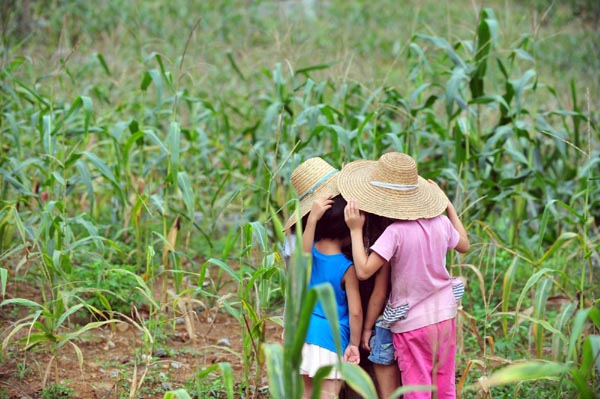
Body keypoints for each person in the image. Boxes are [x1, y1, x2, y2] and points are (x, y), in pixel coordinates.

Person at [339, 152, 470, 399]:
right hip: (445, 317)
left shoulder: (395, 233)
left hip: (412, 325)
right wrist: (449, 207)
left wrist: (356, 230)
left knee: (416, 387)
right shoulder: (441, 223)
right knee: (444, 384)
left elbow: (365, 271)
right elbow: (464, 244)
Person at [300, 195, 362, 399]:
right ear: (347, 232)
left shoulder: (311, 254)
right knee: (328, 394)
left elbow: (303, 252)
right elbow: (355, 312)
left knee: (305, 393)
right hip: (332, 339)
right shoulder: (347, 268)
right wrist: (354, 344)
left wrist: (311, 220)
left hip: (305, 333)